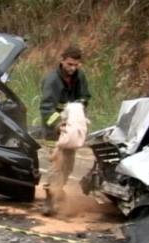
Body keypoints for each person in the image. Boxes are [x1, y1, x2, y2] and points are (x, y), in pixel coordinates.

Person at [39, 46, 91, 216]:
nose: (73, 68)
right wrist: (58, 125)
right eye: (69, 64)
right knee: (56, 165)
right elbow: (46, 108)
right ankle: (50, 200)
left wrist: (78, 112)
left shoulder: (79, 77)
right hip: (54, 129)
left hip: (72, 128)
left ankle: (59, 192)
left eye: (76, 65)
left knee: (68, 165)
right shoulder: (52, 80)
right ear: (62, 60)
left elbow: (85, 97)